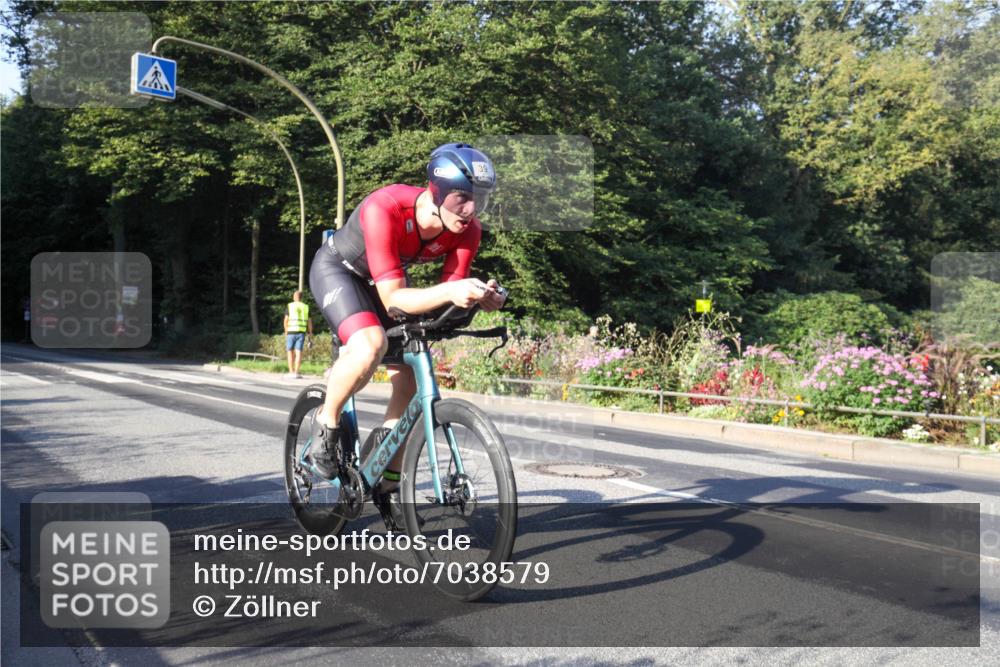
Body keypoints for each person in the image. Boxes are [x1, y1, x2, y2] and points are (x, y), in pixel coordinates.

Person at [308, 142, 506, 528]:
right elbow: (395, 298)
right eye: (461, 198)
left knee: (413, 380)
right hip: (340, 271)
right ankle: (326, 420)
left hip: (389, 279)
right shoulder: (386, 207)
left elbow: (443, 301)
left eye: (478, 200)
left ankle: (386, 481)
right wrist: (452, 290)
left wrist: (482, 298)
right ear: (434, 192)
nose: (470, 211)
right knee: (370, 345)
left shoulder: (468, 230)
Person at [283, 291, 312, 378]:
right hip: (301, 332)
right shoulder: (305, 307)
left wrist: (286, 331)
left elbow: (286, 320)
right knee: (298, 352)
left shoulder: (290, 306)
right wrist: (310, 333)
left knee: (290, 352)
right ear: (301, 297)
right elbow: (309, 322)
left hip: (291, 332)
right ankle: (296, 372)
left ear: (295, 297)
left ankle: (291, 372)